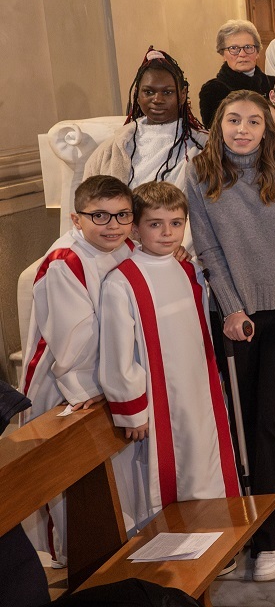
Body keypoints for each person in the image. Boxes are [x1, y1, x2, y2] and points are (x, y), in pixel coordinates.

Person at [186, 89, 275, 581]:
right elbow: (208, 250)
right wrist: (231, 307)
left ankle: (274, 537)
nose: (242, 130)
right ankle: (243, 523)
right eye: (233, 120)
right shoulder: (200, 174)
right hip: (235, 318)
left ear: (268, 128)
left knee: (272, 421)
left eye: (252, 122)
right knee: (240, 422)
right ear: (218, 124)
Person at [98, 181, 240, 526]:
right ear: (135, 229)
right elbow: (117, 351)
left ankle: (219, 531)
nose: (167, 233)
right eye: (155, 224)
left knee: (209, 457)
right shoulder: (123, 281)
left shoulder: (189, 270)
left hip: (201, 386)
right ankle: (184, 535)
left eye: (176, 223)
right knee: (173, 470)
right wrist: (132, 409)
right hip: (159, 399)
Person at [20, 175, 135, 562]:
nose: (112, 225)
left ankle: (119, 542)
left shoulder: (125, 245)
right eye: (99, 215)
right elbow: (74, 336)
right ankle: (75, 554)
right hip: (67, 384)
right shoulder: (65, 260)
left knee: (118, 474)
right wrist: (99, 387)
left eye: (122, 215)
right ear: (76, 219)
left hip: (112, 374)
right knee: (68, 476)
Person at [89, 49, 206, 189]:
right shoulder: (111, 149)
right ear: (137, 95)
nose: (157, 100)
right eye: (148, 92)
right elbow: (88, 197)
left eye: (167, 92)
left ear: (182, 95)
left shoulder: (202, 147)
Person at [201, 20, 275, 126]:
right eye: (234, 48)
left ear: (257, 52)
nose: (242, 54)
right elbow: (215, 130)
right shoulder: (213, 90)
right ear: (223, 54)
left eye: (248, 47)